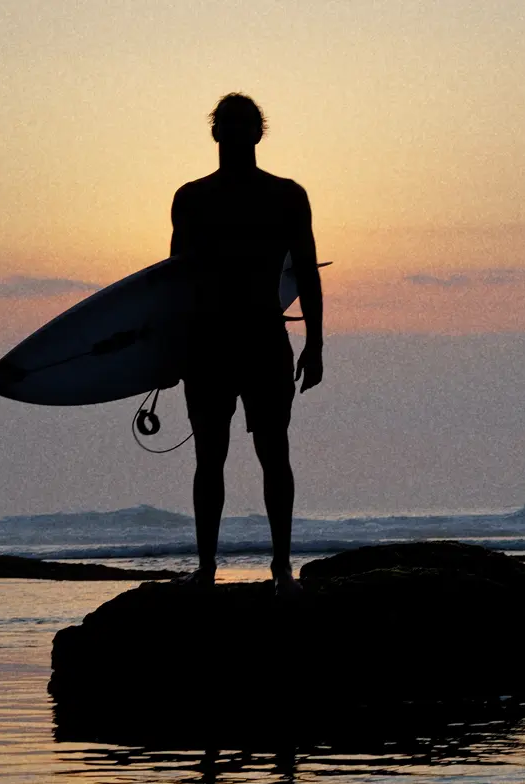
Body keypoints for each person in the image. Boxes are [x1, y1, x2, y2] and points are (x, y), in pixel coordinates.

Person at [169, 93, 323, 596]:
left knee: (271, 452)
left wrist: (315, 344)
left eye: (242, 126)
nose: (235, 135)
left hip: (255, 339)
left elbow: (304, 273)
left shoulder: (286, 196)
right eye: (228, 126)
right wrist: (169, 352)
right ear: (216, 134)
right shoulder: (191, 198)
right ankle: (211, 567)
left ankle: (280, 567)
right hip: (212, 344)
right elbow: (175, 281)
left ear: (258, 134)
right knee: (212, 458)